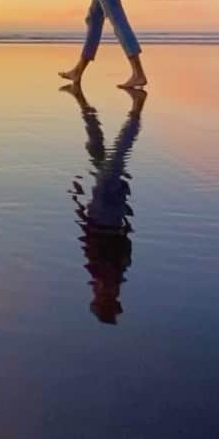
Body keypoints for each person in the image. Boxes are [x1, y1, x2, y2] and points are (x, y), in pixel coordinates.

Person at [61, 81, 146, 324]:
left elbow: (88, 235)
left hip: (105, 210)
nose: (100, 293)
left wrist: (78, 198)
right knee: (116, 156)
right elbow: (104, 236)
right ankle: (134, 114)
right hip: (107, 211)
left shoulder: (107, 272)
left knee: (102, 157)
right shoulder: (112, 273)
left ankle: (88, 111)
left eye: (100, 298)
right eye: (104, 299)